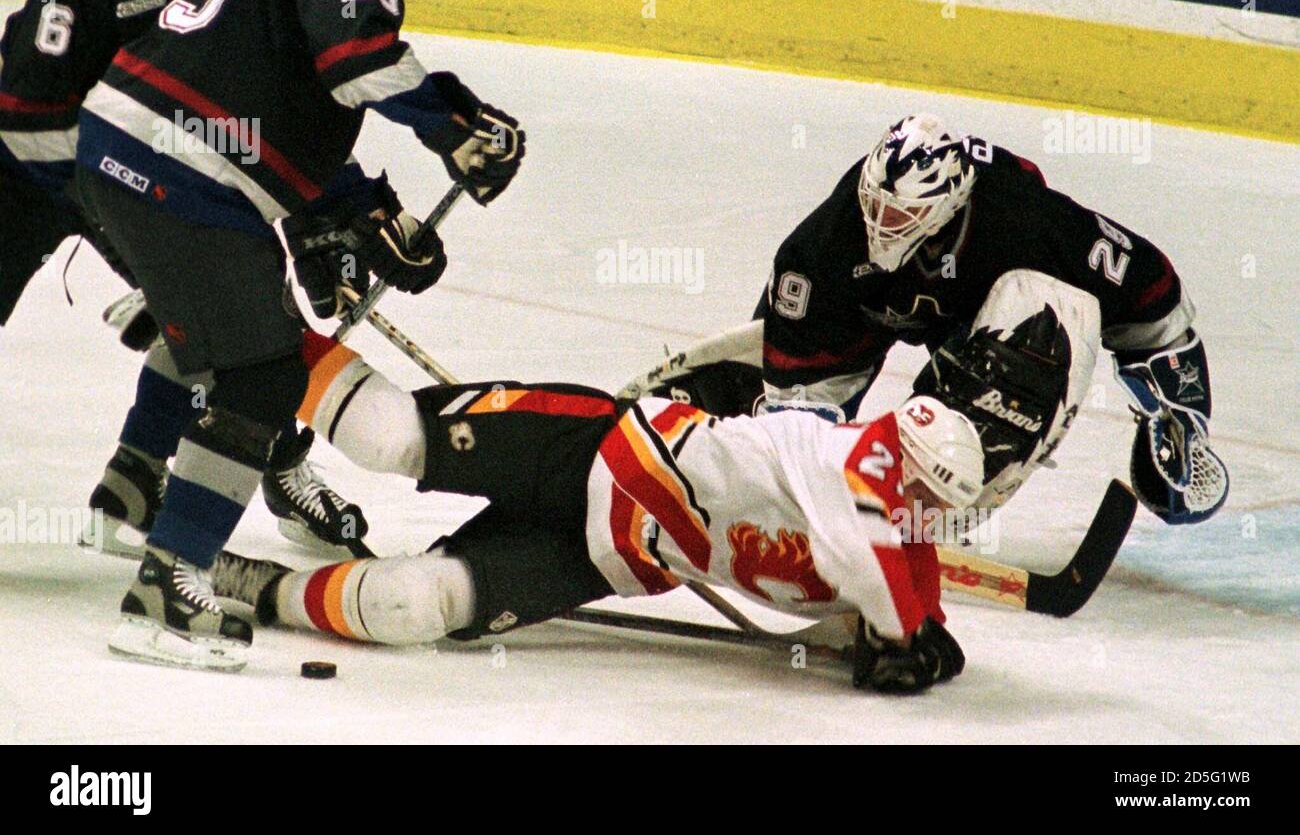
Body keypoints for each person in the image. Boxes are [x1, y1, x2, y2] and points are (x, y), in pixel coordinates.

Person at [75, 0, 525, 669]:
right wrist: (458, 126)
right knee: (265, 371)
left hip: (118, 147)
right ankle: (166, 587)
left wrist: (357, 208)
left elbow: (278, 94)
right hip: (179, 172)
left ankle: (132, 482)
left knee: (211, 335)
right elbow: (358, 63)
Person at [212, 326, 988, 693]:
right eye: (916, 481)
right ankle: (239, 325)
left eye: (933, 498)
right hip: (595, 446)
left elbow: (904, 598)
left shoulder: (891, 538)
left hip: (605, 557)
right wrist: (899, 637)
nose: (915, 499)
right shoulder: (848, 471)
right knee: (389, 436)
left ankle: (253, 586)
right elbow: (878, 569)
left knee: (409, 604)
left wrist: (916, 635)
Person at [0, 0, 358, 556]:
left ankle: (135, 486)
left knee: (240, 317)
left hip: (125, 174)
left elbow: (255, 124)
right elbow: (21, 113)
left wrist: (330, 207)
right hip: (25, 172)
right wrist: (121, 206)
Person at [622, 113, 1228, 527]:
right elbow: (799, 398)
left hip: (987, 324)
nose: (882, 226)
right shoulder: (823, 248)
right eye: (876, 207)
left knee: (1042, 312)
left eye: (903, 214)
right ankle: (688, 448)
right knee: (778, 438)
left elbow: (1155, 300)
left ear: (950, 206)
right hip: (864, 314)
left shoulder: (1027, 226)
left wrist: (1180, 420)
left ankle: (936, 499)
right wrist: (793, 460)